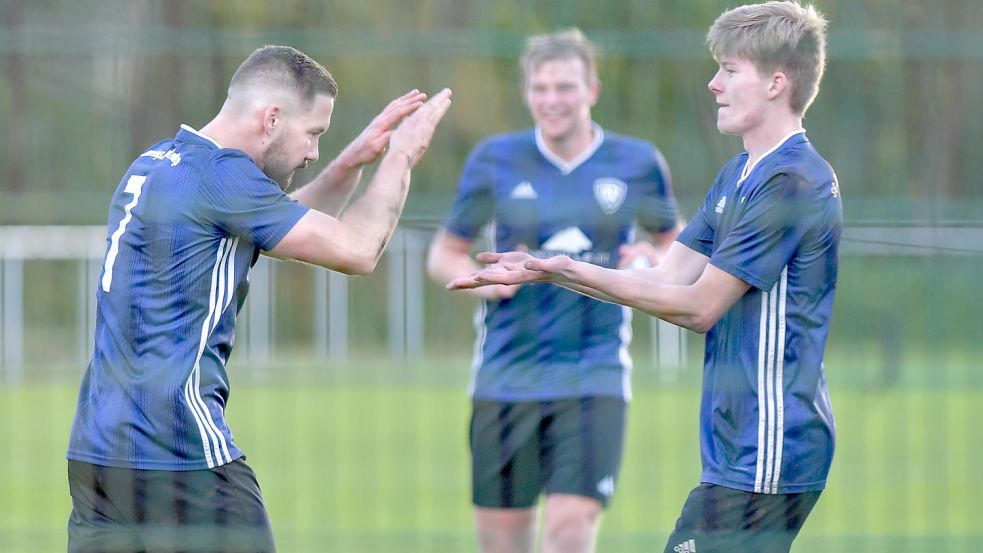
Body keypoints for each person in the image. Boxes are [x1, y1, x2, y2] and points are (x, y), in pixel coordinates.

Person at [449, 3, 840, 553]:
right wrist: (552, 272)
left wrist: (565, 268)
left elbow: (697, 306)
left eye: (729, 70)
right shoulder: (740, 173)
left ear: (777, 82)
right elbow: (667, 274)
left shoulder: (791, 182)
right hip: (735, 443)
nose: (714, 84)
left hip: (772, 441)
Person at [66, 44, 452, 553]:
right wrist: (402, 156)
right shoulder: (223, 178)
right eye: (313, 133)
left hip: (98, 458)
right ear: (271, 118)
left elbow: (274, 220)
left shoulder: (159, 163)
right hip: (179, 453)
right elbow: (358, 250)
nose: (314, 151)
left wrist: (353, 161)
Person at [428, 28, 682, 553]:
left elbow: (677, 250)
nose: (551, 100)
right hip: (505, 377)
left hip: (595, 375)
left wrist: (652, 261)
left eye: (565, 87)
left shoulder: (636, 163)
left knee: (568, 536)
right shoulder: (495, 159)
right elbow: (443, 253)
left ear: (592, 90)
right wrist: (488, 287)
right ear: (526, 93)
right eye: (540, 88)